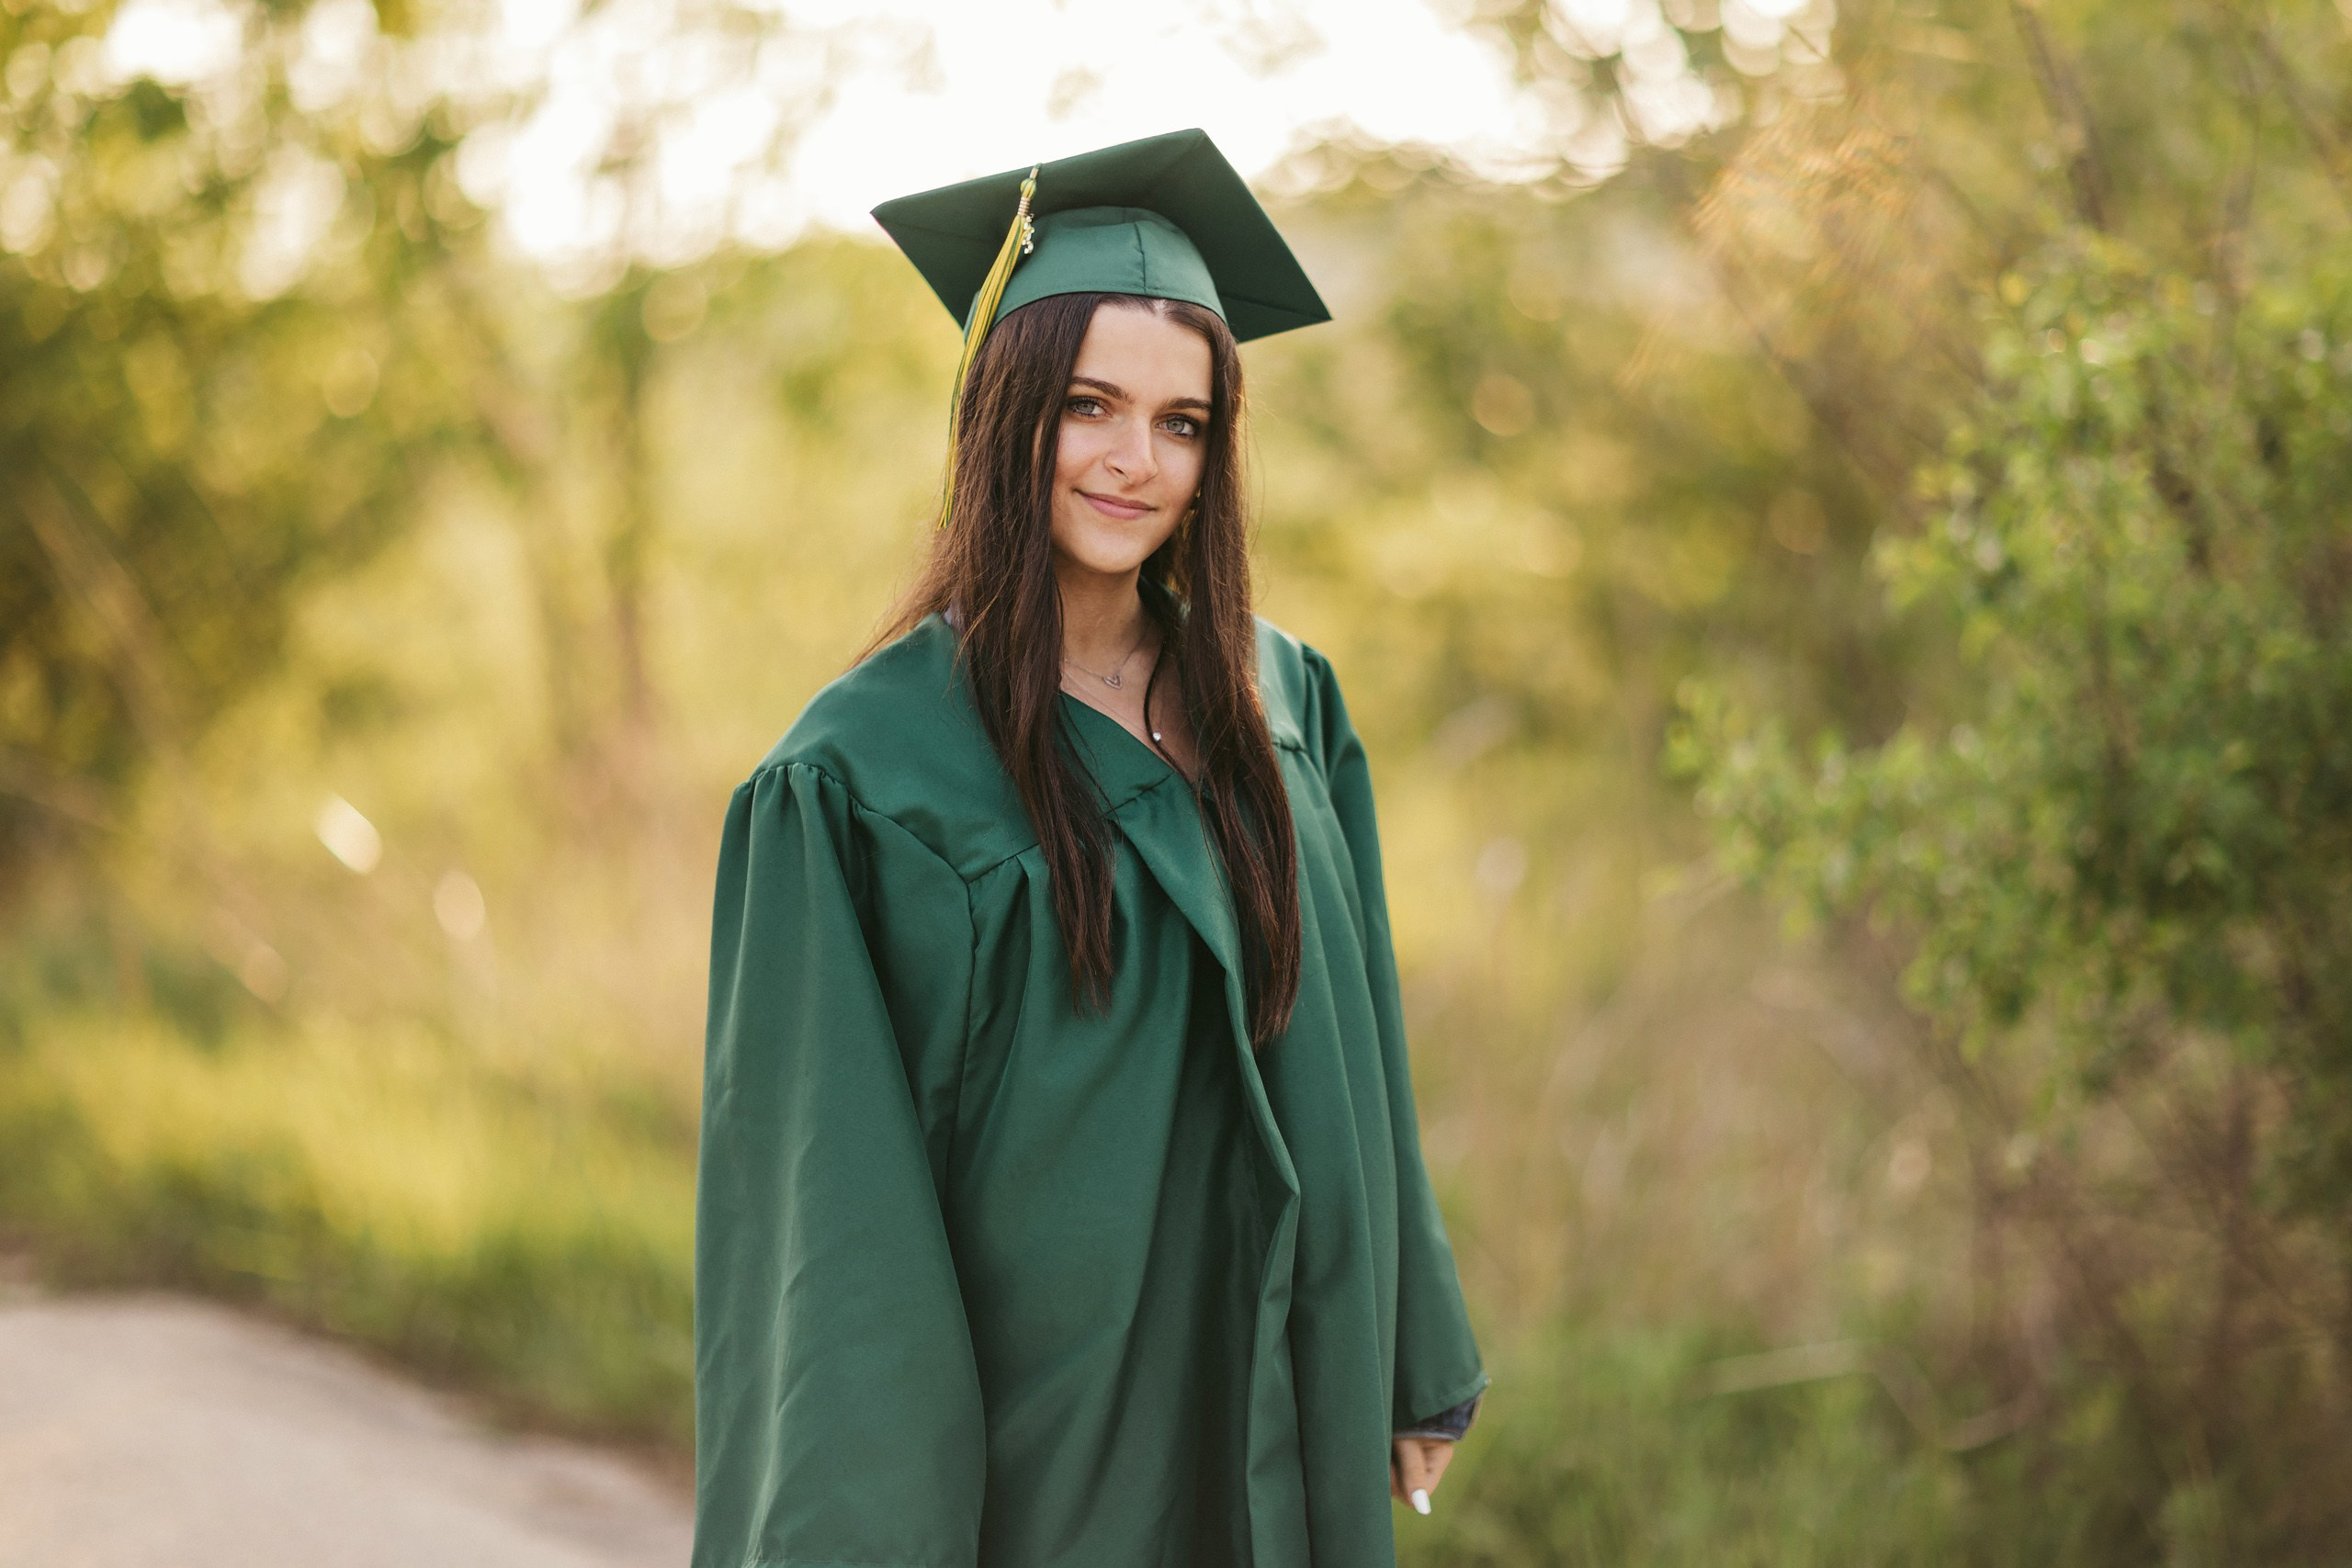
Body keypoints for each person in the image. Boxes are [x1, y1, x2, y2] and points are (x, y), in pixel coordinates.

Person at [692, 128, 1486, 1568]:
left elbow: (1366, 1038)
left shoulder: (1281, 698)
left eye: (1183, 423)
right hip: (1048, 1426)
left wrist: (1410, 1344)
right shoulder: (859, 778)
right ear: (1007, 417)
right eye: (1089, 407)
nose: (1137, 462)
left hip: (1270, 1373)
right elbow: (832, 1216)